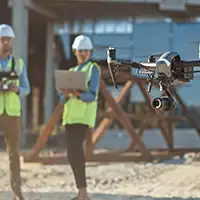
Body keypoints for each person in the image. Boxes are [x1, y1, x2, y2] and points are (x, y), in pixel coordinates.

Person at [58, 35, 101, 200]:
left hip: (82, 117)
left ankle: (83, 193)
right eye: (80, 51)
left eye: (86, 51)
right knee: (72, 154)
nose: (83, 53)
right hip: (70, 117)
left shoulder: (93, 69)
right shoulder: (71, 72)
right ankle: (82, 192)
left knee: (75, 151)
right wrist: (65, 93)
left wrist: (77, 93)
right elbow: (62, 99)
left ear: (90, 52)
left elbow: (92, 95)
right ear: (75, 52)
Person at [0, 24, 31, 200]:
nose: (5, 43)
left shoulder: (18, 63)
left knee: (14, 154)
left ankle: (16, 192)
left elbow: (27, 88)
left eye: (7, 40)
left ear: (12, 41)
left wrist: (16, 88)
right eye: (2, 40)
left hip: (12, 114)